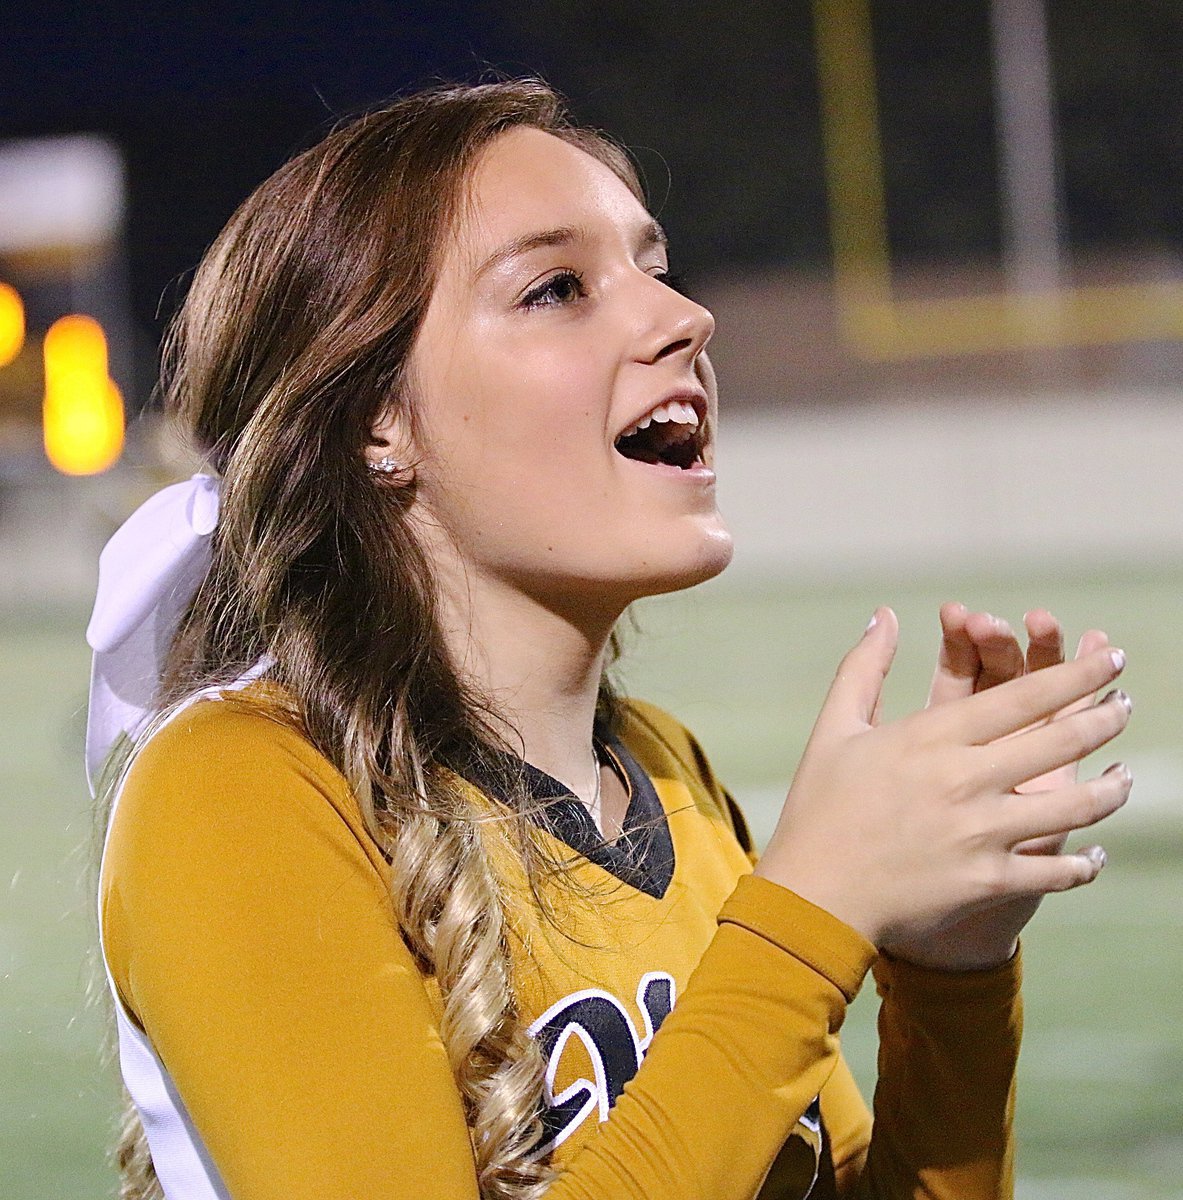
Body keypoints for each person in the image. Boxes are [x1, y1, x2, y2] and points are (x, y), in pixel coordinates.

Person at [87, 79, 1132, 1200]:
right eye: (555, 289)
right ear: (374, 424)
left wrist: (951, 975)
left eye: (652, 264)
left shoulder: (666, 776)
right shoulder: (242, 787)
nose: (683, 317)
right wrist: (812, 909)